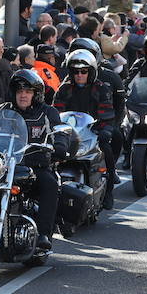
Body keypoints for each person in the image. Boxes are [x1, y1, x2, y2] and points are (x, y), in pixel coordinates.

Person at [0, 70, 68, 251]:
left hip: (35, 166)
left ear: (36, 94)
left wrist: (60, 145)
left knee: (50, 184)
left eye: (27, 91)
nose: (23, 95)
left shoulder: (47, 112)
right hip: (5, 167)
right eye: (19, 91)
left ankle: (44, 233)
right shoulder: (2, 111)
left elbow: (59, 131)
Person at [53, 50, 117, 210]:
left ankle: (108, 190)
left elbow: (107, 114)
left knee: (108, 149)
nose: (79, 75)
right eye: (76, 71)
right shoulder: (64, 89)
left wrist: (105, 129)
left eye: (83, 71)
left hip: (92, 133)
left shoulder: (101, 89)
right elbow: (55, 113)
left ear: (91, 72)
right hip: (67, 135)